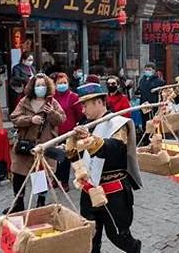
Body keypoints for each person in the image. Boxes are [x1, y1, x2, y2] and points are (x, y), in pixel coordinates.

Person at [66, 82, 142, 253]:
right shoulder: (85, 123)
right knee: (90, 235)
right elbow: (76, 155)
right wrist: (70, 146)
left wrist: (91, 139)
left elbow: (115, 148)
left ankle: (135, 249)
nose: (83, 110)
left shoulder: (117, 123)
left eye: (85, 105)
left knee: (118, 235)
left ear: (99, 102)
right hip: (89, 190)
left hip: (113, 191)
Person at [5, 73, 66, 213]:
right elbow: (14, 118)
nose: (40, 88)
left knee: (40, 175)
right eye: (38, 85)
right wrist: (30, 119)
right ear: (32, 87)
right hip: (25, 145)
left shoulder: (52, 103)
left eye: (43, 85)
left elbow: (61, 120)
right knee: (19, 173)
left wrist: (51, 113)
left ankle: (40, 202)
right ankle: (18, 202)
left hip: (43, 146)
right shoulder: (25, 101)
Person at [52, 72, 84, 192]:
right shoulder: (52, 97)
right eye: (59, 83)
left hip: (68, 132)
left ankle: (64, 181)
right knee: (54, 156)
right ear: (54, 84)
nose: (62, 85)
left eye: (64, 83)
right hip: (54, 132)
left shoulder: (73, 97)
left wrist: (77, 126)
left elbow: (80, 114)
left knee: (65, 158)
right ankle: (55, 178)